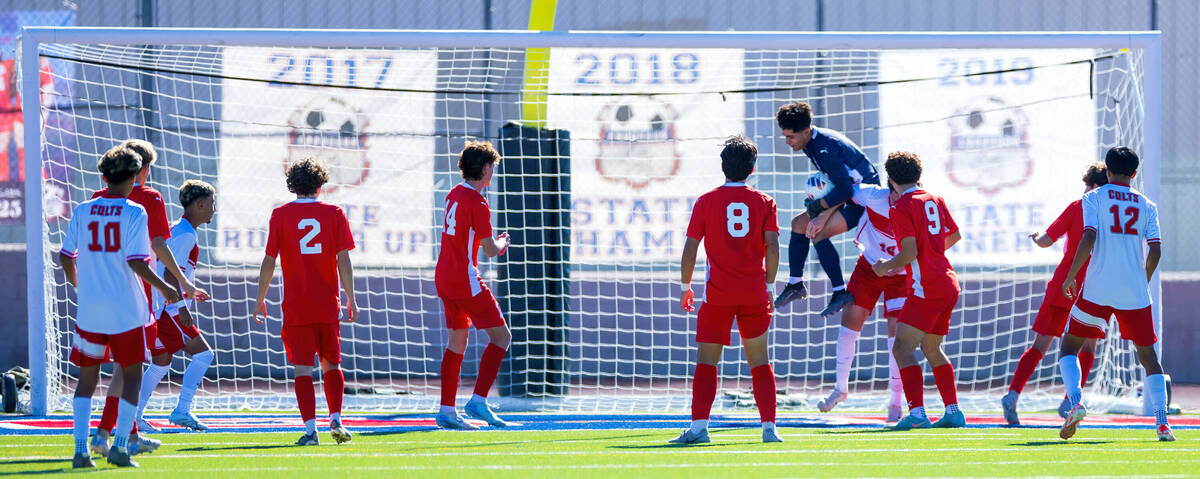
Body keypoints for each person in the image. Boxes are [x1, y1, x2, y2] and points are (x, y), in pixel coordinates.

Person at [61, 145, 180, 468]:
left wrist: (78, 284)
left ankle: (80, 452)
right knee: (131, 376)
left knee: (86, 381)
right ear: (133, 178)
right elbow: (138, 262)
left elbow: (64, 255)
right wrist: (166, 287)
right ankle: (121, 447)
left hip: (90, 309)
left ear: (103, 176)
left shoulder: (84, 209)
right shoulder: (135, 211)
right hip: (127, 309)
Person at [90, 139, 209, 457]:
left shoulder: (95, 199)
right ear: (141, 169)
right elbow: (158, 246)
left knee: (117, 367)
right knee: (130, 368)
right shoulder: (150, 198)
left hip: (101, 292)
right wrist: (180, 286)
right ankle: (112, 435)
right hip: (138, 296)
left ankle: (112, 434)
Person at [671, 136, 782, 444]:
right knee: (760, 361)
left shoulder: (706, 201)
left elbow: (690, 250)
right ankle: (769, 429)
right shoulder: (764, 201)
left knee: (707, 361)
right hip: (754, 293)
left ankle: (698, 428)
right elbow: (773, 247)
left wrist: (685, 287)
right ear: (752, 168)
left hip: (718, 294)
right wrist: (770, 285)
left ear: (722, 166)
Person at [1058, 147, 1172, 441]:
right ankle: (1162, 423)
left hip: (1097, 287)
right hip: (1134, 291)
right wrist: (1141, 280)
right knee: (1149, 358)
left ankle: (1076, 403)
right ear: (1135, 174)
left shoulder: (1094, 197)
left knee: (1069, 347)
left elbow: (1089, 236)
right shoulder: (1147, 204)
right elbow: (1156, 250)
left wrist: (1071, 276)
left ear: (1107, 172)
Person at [254, 157, 357, 446]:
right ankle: (336, 418)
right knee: (332, 365)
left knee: (302, 369)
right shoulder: (335, 213)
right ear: (320, 184)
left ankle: (311, 431)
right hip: (327, 302)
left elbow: (269, 261)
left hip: (296, 305)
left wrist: (260, 299)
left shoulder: (280, 215)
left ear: (292, 185)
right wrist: (351, 297)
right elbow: (343, 259)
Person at [1000, 164, 1107, 425]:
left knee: (1040, 345)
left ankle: (1012, 395)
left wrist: (1037, 237)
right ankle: (1071, 400)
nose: (1085, 190)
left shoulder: (1077, 206)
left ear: (1094, 186)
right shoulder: (1110, 214)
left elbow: (1048, 239)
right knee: (1089, 345)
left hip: (1063, 286)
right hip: (1092, 290)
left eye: (1088, 185)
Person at [871, 152, 964, 431]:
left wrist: (884, 266)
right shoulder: (935, 198)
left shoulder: (900, 207)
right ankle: (953, 411)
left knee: (901, 347)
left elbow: (909, 252)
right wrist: (932, 254)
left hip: (927, 287)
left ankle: (918, 413)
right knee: (931, 347)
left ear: (891, 179)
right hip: (948, 282)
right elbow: (955, 235)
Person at [774, 102, 880, 318]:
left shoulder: (824, 148)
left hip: (863, 200)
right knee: (798, 224)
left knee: (817, 231)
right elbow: (840, 185)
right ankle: (795, 284)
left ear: (806, 131)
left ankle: (840, 292)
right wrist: (821, 209)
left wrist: (822, 210)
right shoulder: (811, 142)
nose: (788, 142)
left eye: (791, 137)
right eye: (785, 137)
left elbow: (845, 189)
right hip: (849, 194)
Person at [433, 141, 512, 430]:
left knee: (457, 342)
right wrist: (503, 242)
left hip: (444, 277)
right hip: (464, 280)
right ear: (486, 167)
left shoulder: (454, 194)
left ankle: (447, 410)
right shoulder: (478, 203)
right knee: (502, 337)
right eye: (493, 166)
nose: (494, 172)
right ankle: (478, 401)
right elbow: (490, 250)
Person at [814, 182, 907, 422]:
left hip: (901, 274)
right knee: (848, 327)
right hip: (869, 267)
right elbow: (844, 191)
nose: (900, 197)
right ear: (891, 185)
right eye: (897, 191)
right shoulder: (873, 195)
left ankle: (895, 401)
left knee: (897, 337)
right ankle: (840, 388)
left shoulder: (917, 204)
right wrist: (823, 215)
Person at [135, 180, 218, 433]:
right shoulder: (186, 234)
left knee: (161, 361)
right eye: (212, 203)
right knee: (204, 355)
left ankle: (134, 417)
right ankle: (181, 411)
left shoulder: (180, 230)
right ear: (200, 204)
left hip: (162, 305)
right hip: (167, 308)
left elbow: (171, 271)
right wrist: (182, 306)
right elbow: (170, 274)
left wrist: (190, 291)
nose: (214, 209)